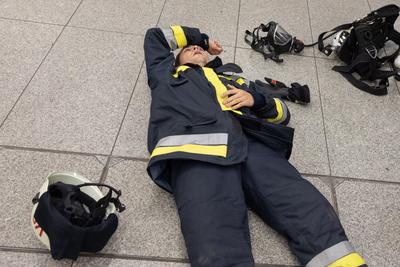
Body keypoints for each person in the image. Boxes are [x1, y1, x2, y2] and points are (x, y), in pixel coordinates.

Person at [143, 25, 367, 267]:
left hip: (250, 145)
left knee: (303, 205)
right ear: (176, 59)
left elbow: (282, 115)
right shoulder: (166, 74)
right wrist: (203, 39)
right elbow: (154, 36)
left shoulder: (233, 79)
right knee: (215, 237)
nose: (195, 48)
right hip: (196, 152)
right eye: (188, 48)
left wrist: (256, 100)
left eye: (198, 48)